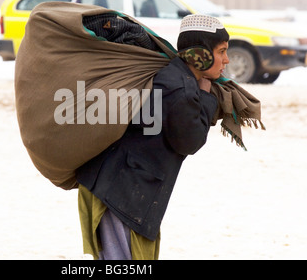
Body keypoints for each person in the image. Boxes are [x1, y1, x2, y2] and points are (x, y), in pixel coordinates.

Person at [76, 14, 230, 260]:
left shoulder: (172, 76)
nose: (227, 60)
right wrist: (207, 96)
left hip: (117, 189)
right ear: (201, 54)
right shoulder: (180, 91)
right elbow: (191, 141)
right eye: (221, 51)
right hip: (121, 197)